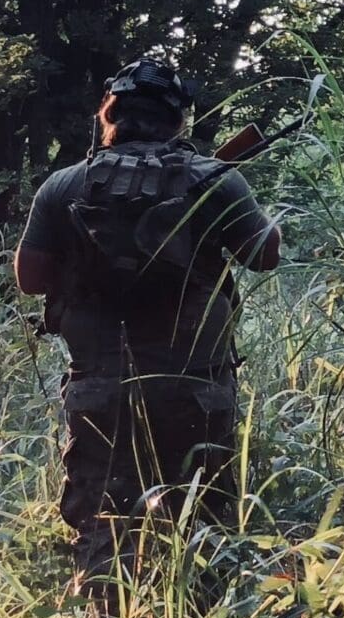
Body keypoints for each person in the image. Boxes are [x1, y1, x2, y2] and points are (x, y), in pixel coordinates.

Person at [15, 58, 281, 582]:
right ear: (178, 120)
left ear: (108, 114)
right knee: (199, 527)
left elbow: (29, 278)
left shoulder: (63, 185)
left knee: (103, 528)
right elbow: (263, 255)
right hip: (195, 389)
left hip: (100, 390)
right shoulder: (215, 180)